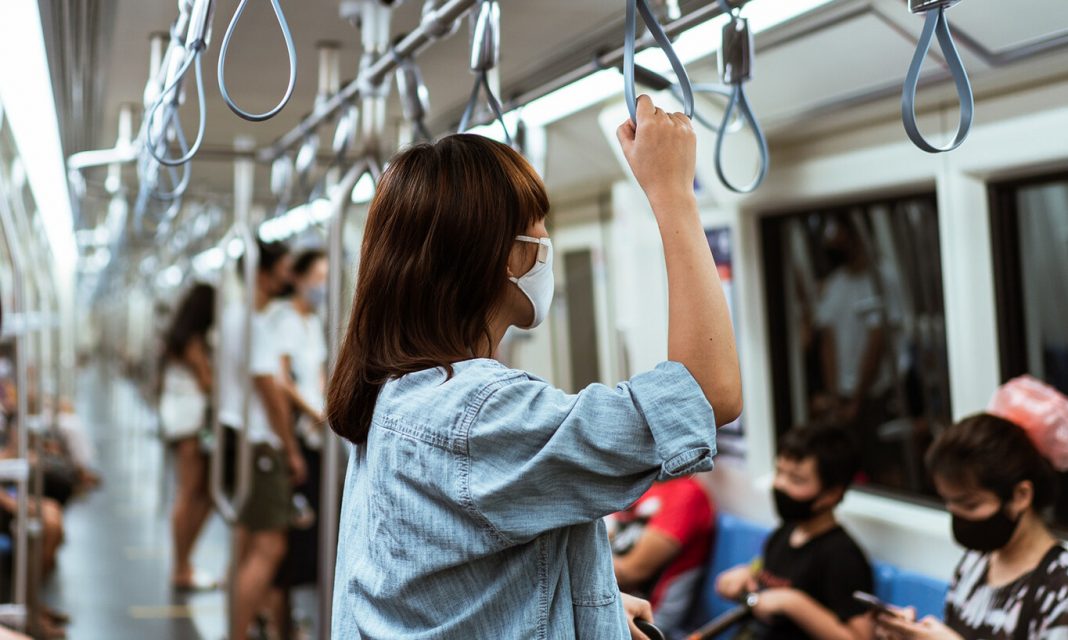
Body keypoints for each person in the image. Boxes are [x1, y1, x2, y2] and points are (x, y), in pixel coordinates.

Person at [326, 95, 741, 639]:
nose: (546, 240)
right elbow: (709, 394)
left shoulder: (399, 392)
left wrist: (594, 607)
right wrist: (672, 195)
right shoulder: (479, 415)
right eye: (539, 224)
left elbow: (453, 589)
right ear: (504, 253)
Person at [875, 411, 1068, 640]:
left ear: (1021, 496)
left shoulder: (1059, 588)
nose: (958, 516)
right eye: (949, 503)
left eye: (970, 504)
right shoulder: (976, 563)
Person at [217, 239, 306, 640]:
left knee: (247, 538)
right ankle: (237, 632)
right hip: (259, 442)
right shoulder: (253, 323)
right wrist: (290, 448)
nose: (288, 276)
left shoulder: (235, 315)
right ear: (263, 273)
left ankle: (242, 622)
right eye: (283, 268)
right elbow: (270, 392)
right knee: (270, 547)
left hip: (238, 435)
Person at [716, 424, 874, 640]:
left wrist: (794, 603)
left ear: (831, 494)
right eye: (779, 471)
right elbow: (767, 571)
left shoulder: (842, 556)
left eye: (796, 479)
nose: (780, 484)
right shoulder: (785, 533)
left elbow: (860, 637)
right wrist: (747, 575)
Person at [812, 217, 905, 484]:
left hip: (876, 393)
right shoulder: (836, 284)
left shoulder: (882, 278)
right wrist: (834, 396)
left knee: (885, 466)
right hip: (842, 395)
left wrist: (858, 398)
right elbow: (827, 341)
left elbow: (878, 342)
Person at [267, 248, 329, 639]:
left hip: (317, 432)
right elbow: (283, 380)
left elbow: (319, 375)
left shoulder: (315, 322)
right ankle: (279, 622)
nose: (322, 286)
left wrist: (328, 406)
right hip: (298, 432)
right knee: (292, 533)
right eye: (318, 278)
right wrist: (313, 410)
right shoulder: (285, 320)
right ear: (300, 278)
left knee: (312, 530)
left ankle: (289, 620)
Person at [158, 282, 217, 591]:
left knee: (202, 493)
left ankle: (184, 562)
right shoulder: (193, 344)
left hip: (181, 419)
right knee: (189, 492)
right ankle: (180, 567)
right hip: (189, 421)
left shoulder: (179, 339)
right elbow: (208, 382)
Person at [610, 477, 716, 638]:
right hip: (615, 603)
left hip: (646, 620)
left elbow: (630, 572)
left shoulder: (684, 493)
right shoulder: (641, 484)